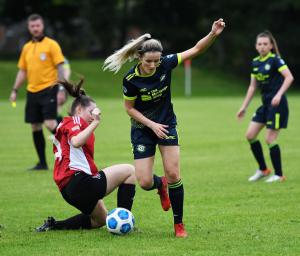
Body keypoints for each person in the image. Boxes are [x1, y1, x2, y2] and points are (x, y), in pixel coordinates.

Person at [103, 18, 226, 237]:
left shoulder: (166, 63)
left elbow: (197, 49)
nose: (153, 65)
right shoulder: (130, 79)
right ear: (140, 57)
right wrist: (151, 125)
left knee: (173, 173)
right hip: (142, 128)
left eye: (156, 61)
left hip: (167, 125)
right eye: (149, 61)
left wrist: (213, 34)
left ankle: (179, 225)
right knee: (144, 181)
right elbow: (129, 108)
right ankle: (160, 185)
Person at [36, 79, 136, 231]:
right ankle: (125, 219)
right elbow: (76, 142)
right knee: (129, 171)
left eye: (96, 112)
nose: (94, 115)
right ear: (78, 111)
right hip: (78, 182)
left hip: (68, 189)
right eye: (91, 112)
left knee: (101, 219)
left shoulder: (69, 124)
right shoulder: (75, 121)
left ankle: (55, 225)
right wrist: (95, 123)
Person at [9, 13, 65, 170]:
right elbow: (22, 71)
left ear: (42, 26)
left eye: (38, 25)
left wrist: (61, 88)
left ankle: (71, 142)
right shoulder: (26, 47)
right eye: (32, 26)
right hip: (32, 92)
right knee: (35, 126)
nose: (35, 28)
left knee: (50, 123)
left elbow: (60, 67)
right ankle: (42, 163)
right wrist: (15, 90)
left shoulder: (51, 45)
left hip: (49, 89)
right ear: (29, 27)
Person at [237, 30, 294, 183]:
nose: (262, 46)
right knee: (250, 136)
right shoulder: (255, 62)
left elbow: (289, 77)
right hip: (265, 105)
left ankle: (279, 174)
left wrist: (279, 94)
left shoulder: (275, 60)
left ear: (270, 46)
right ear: (256, 46)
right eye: (259, 44)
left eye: (265, 44)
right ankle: (263, 169)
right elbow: (252, 87)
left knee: (270, 139)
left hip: (278, 105)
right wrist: (244, 107)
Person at [56, 57, 71, 123]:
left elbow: (67, 72)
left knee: (57, 108)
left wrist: (61, 88)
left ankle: (59, 129)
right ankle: (59, 129)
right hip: (56, 87)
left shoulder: (62, 59)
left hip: (59, 87)